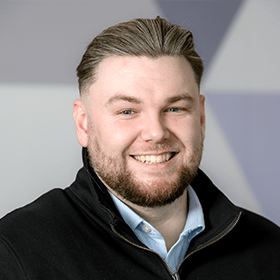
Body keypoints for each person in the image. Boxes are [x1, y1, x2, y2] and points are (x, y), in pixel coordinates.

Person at [0, 16, 279, 280]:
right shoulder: (16, 251)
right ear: (84, 124)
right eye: (127, 111)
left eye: (174, 108)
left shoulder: (269, 249)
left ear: (201, 118)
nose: (156, 132)